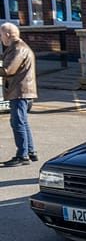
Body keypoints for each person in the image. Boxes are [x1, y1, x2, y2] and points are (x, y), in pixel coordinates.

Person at [1, 22, 38, 167]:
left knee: (18, 123)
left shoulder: (18, 48)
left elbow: (8, 70)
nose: (1, 38)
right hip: (21, 91)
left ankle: (22, 155)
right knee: (22, 122)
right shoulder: (17, 47)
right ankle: (30, 151)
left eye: (1, 35)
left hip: (20, 91)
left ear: (7, 35)